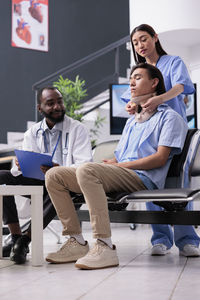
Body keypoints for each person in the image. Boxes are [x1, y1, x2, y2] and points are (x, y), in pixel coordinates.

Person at [44, 63, 198, 271]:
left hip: (144, 178)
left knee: (86, 170)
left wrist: (119, 165)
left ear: (154, 83)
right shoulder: (132, 122)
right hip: (123, 173)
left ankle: (104, 246)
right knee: (55, 175)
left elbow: (160, 159)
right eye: (131, 78)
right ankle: (76, 242)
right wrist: (112, 165)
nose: (132, 83)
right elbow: (121, 157)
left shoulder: (170, 118)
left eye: (138, 77)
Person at [122, 24, 198, 256]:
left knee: (177, 182)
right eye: (136, 43)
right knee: (150, 181)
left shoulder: (173, 62)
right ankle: (161, 238)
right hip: (149, 132)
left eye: (144, 39)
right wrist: (131, 104)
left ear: (155, 38)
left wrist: (159, 99)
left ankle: (187, 239)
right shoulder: (140, 70)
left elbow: (182, 87)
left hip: (172, 128)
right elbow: (132, 98)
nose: (140, 45)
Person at [2, 86, 92, 264]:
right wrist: (20, 164)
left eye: (59, 101)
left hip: (66, 183)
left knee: (56, 184)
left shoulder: (77, 129)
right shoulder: (32, 132)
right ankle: (15, 235)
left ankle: (25, 240)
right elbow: (24, 166)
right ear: (40, 108)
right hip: (37, 181)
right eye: (50, 103)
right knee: (3, 178)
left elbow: (85, 164)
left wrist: (60, 169)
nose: (57, 106)